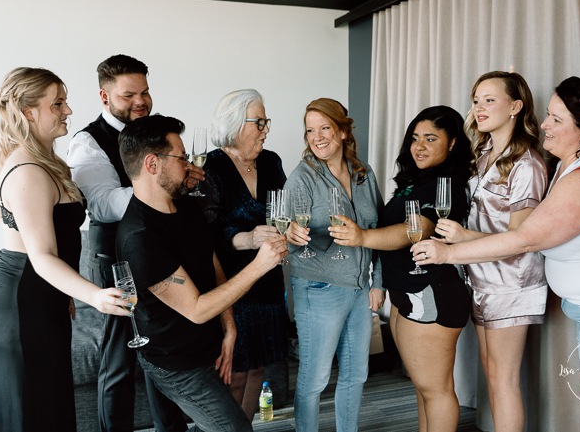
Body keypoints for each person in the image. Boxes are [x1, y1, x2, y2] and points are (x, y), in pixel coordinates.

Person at [413, 76, 580, 432]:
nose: (544, 124)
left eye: (557, 119)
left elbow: (525, 239)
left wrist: (446, 253)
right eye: (548, 114)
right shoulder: (567, 167)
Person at [0, 67, 129, 432]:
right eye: (57, 103)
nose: (68, 110)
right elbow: (41, 255)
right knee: (31, 410)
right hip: (20, 301)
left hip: (42, 294)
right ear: (29, 111)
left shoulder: (50, 163)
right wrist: (95, 296)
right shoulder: (28, 170)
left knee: (47, 404)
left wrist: (63, 292)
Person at [116, 114, 288, 432]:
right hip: (176, 365)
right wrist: (259, 266)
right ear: (152, 164)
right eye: (181, 158)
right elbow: (195, 309)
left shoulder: (184, 205)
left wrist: (230, 327)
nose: (190, 165)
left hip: (205, 345)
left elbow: (210, 261)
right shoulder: (140, 237)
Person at [67, 55, 193, 432]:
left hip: (159, 253)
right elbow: (103, 204)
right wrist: (163, 185)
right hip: (115, 262)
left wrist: (182, 177)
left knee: (163, 351)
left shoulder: (156, 131)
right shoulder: (87, 142)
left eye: (145, 92)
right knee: (120, 358)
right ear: (104, 97)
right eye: (129, 95)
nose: (141, 101)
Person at [329, 106, 472, 432]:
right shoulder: (416, 181)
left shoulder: (444, 183)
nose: (419, 146)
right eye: (415, 138)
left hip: (431, 292)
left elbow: (418, 228)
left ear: (451, 144)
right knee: (424, 388)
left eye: (430, 138)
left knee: (436, 391)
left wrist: (362, 237)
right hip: (408, 292)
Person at [436, 71, 547, 431]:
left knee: (503, 378)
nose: (479, 108)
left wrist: (462, 237)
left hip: (511, 283)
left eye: (489, 100)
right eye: (476, 100)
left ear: (516, 106)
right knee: (490, 371)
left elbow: (520, 237)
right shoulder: (483, 152)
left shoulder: (527, 165)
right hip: (480, 278)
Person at [284, 98, 385, 432]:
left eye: (325, 127)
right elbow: (284, 236)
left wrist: (377, 281)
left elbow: (378, 231)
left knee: (357, 374)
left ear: (342, 130)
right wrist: (290, 234)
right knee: (315, 379)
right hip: (319, 289)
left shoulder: (363, 174)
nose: (317, 137)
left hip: (358, 289)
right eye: (310, 130)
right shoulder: (302, 178)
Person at [204, 89, 288, 421]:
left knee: (257, 369)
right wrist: (247, 238)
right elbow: (205, 235)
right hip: (232, 283)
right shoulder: (212, 166)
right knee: (234, 372)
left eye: (266, 121)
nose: (266, 129)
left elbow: (285, 212)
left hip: (269, 281)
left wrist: (289, 230)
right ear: (236, 123)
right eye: (260, 122)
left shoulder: (271, 161)